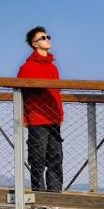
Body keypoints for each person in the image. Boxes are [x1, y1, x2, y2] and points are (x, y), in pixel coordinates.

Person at [18, 26, 64, 199]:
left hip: (53, 118)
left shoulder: (53, 68)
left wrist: (60, 114)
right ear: (34, 44)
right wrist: (24, 117)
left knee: (56, 158)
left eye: (48, 36)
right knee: (37, 159)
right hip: (37, 118)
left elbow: (56, 94)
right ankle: (39, 196)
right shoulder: (27, 68)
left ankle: (55, 197)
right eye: (43, 37)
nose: (47, 39)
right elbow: (20, 95)